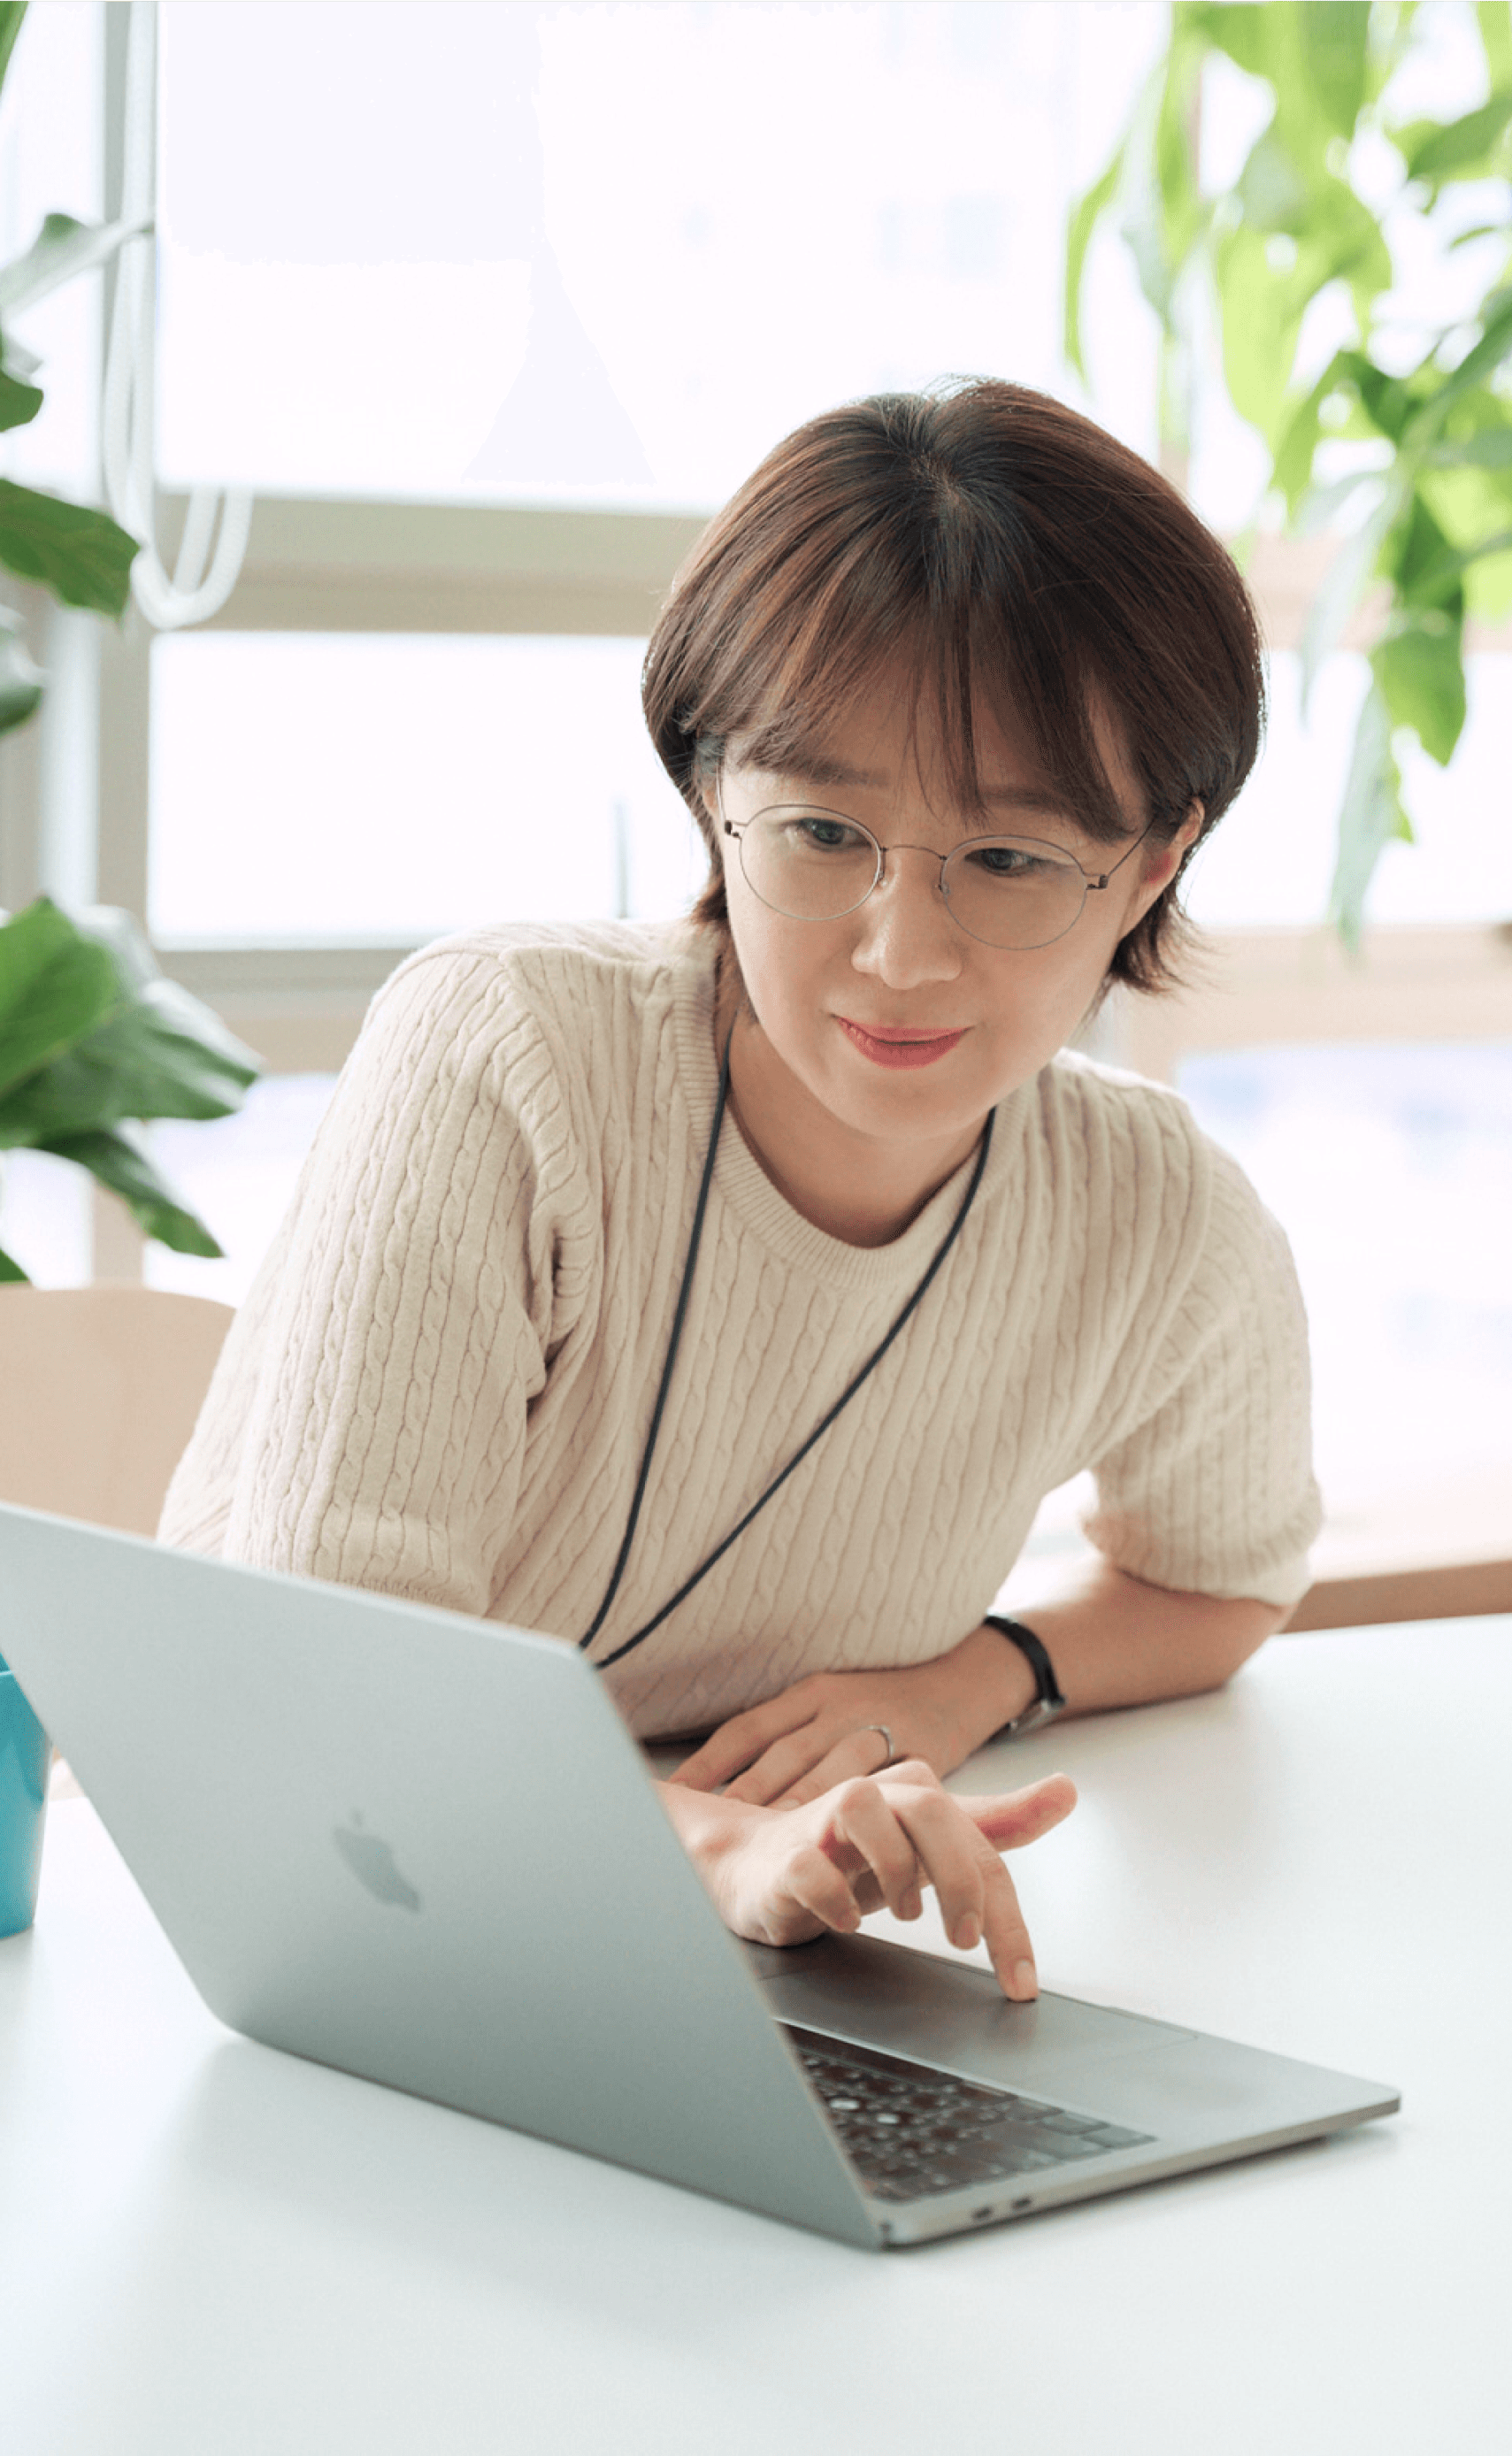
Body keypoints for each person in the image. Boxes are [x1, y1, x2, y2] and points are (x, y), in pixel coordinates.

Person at [162, 380, 1320, 2004]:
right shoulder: (507, 1058)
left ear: (1152, 862)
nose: (898, 954)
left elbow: (1220, 1579)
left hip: (733, 1974)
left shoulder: (1157, 1213)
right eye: (825, 832)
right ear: (715, 798)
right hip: (319, 1922)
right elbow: (332, 1692)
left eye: (1007, 861)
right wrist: (715, 1850)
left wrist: (974, 1678)